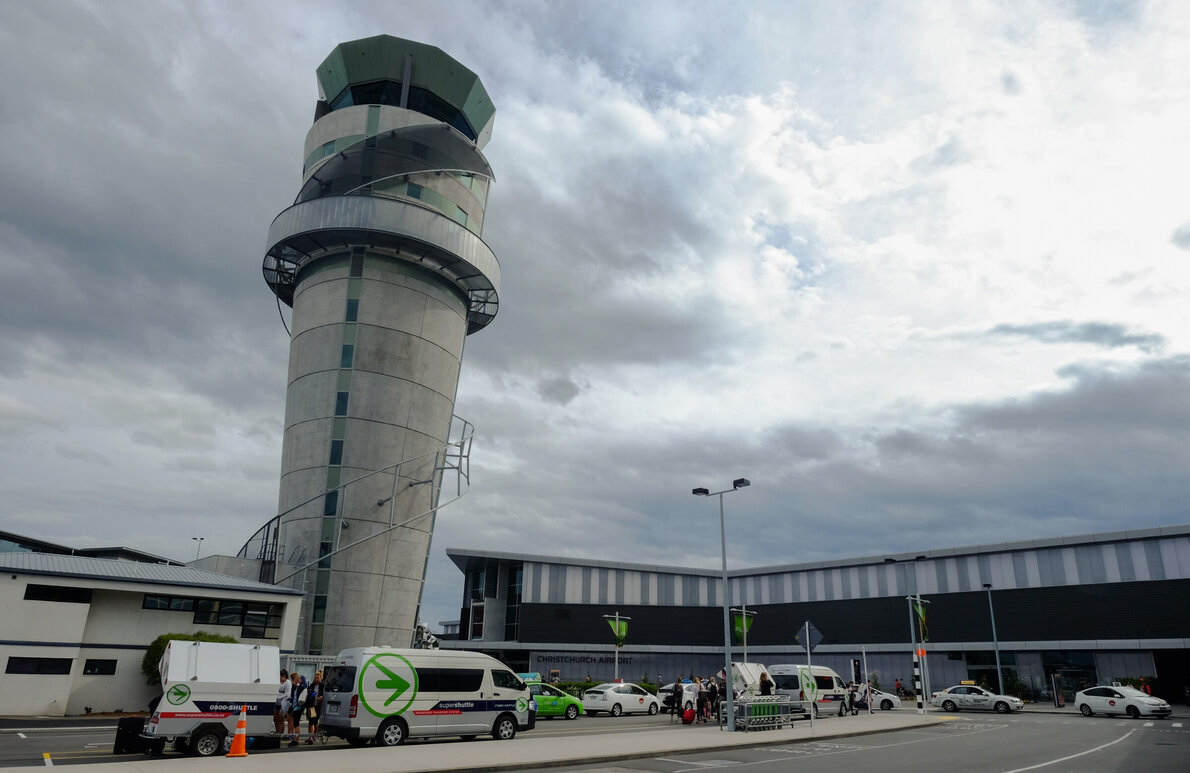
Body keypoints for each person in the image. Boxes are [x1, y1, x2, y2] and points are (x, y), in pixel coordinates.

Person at [288, 671, 307, 745]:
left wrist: (303, 679)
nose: (297, 679)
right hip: (295, 707)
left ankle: (296, 740)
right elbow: (296, 697)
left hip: (298, 707)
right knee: (295, 724)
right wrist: (292, 699)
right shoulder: (298, 687)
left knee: (296, 724)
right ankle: (295, 739)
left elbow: (306, 685)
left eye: (299, 678)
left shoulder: (302, 686)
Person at [304, 670, 323, 744]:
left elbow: (326, 694)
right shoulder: (312, 685)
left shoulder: (322, 685)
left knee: (315, 722)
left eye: (318, 678)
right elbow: (308, 694)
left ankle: (313, 736)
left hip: (318, 705)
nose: (316, 680)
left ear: (321, 678)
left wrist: (322, 697)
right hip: (311, 705)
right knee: (311, 721)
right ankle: (310, 737)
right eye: (315, 678)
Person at [275, 669, 291, 735]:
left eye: (282, 677)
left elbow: (287, 695)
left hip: (283, 703)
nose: (281, 679)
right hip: (277, 702)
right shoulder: (279, 682)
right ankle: (277, 731)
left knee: (281, 719)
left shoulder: (287, 683)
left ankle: (280, 733)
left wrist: (278, 697)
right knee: (276, 719)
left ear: (285, 676)